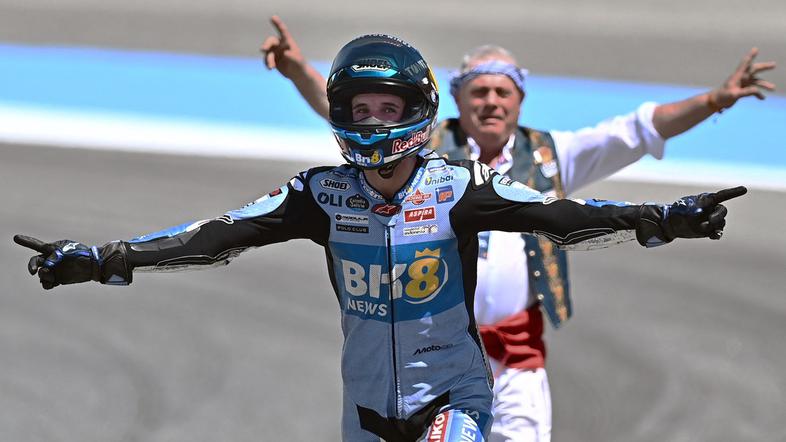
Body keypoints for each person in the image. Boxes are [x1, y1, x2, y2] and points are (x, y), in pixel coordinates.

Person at [17, 34, 746, 442]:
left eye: (387, 109)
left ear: (417, 112)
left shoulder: (461, 186)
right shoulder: (317, 194)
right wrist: (105, 259)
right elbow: (213, 236)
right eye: (358, 109)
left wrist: (663, 219)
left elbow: (567, 216)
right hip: (364, 411)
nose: (371, 122)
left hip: (457, 397)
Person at [261, 16, 775, 441]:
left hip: (516, 360)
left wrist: (714, 100)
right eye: (479, 91)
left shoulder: (551, 156)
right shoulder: (416, 150)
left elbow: (636, 132)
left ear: (519, 100)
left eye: (502, 91)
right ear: (456, 99)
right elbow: (361, 113)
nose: (491, 101)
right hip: (429, 362)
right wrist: (299, 71)